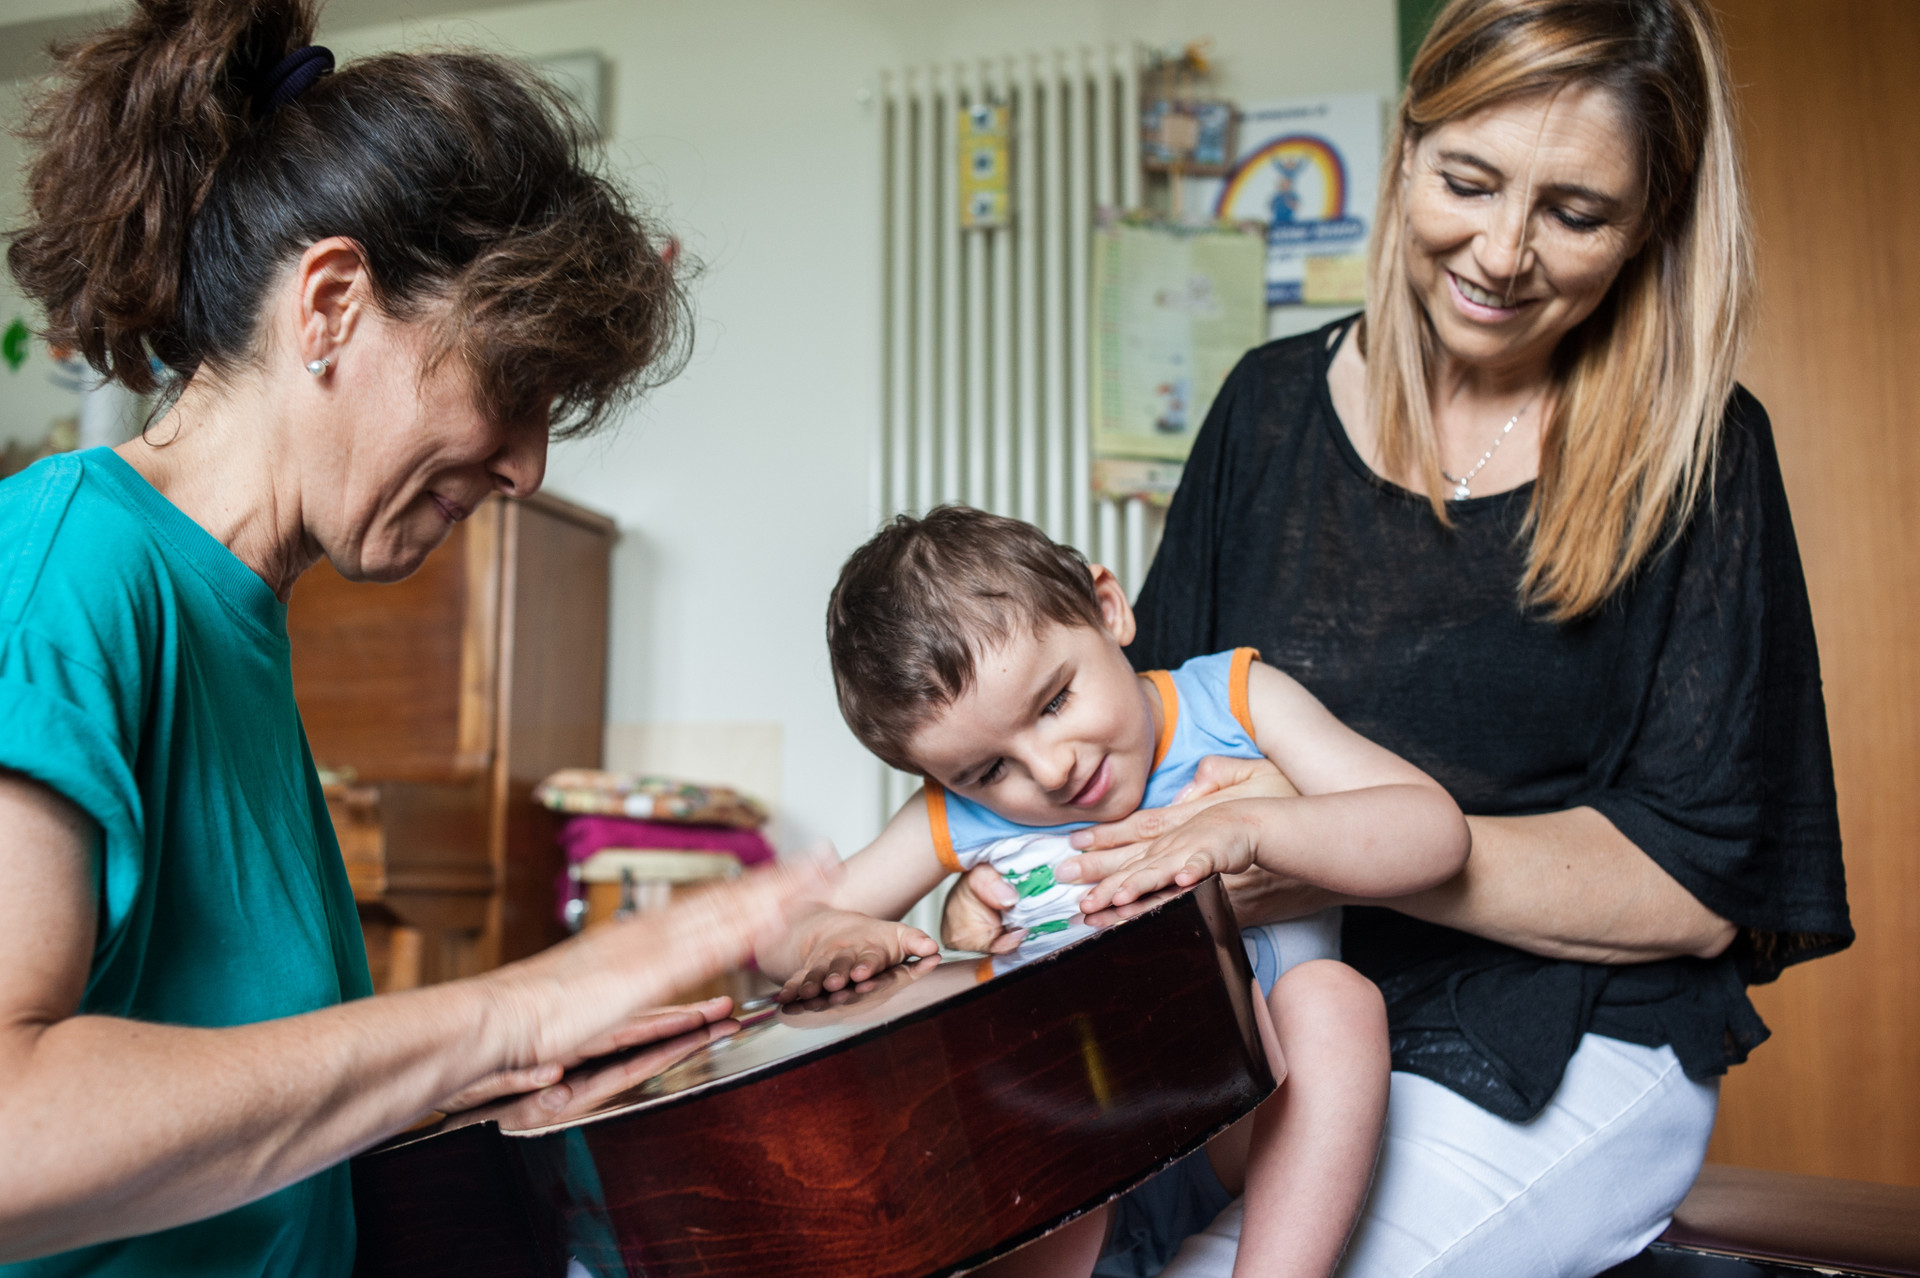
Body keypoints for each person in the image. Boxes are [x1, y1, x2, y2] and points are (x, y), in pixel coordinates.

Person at [943, 1, 1851, 1275]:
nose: (1500, 251)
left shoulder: (1702, 453)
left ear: (1654, 222)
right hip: (1275, 1015)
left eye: (1575, 213)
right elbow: (1132, 760)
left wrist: (1319, 842)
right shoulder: (1265, 409)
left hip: (1569, 1034)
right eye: (1467, 181)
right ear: (1403, 155)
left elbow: (1700, 889)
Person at [0, 1, 828, 1272]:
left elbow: (250, 1124)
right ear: (329, 303)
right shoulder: (63, 569)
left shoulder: (241, 618)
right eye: (512, 387)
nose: (529, 464)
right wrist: (504, 1011)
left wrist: (531, 1069)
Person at [762, 505, 1471, 1278]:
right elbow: (778, 934)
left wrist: (1257, 826)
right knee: (999, 1066)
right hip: (1071, 1164)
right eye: (988, 769)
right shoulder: (961, 812)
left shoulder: (1234, 702)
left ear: (1108, 608)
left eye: (1055, 701)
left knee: (1334, 1000)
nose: (1051, 768)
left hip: (1248, 1124)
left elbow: (1434, 834)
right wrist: (832, 937)